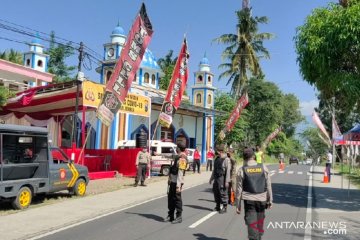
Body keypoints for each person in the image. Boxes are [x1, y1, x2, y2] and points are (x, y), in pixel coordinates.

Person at [236, 147, 273, 240]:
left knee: (252, 225)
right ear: (254, 156)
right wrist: (270, 200)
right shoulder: (263, 167)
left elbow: (239, 190)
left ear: (244, 158)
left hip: (249, 201)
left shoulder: (242, 170)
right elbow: (268, 186)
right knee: (259, 224)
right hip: (262, 200)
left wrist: (238, 205)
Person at [165, 142, 188, 224]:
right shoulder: (178, 156)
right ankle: (170, 215)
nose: (176, 148)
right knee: (170, 198)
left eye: (177, 147)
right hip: (173, 181)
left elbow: (181, 173)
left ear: (179, 148)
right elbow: (171, 156)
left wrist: (178, 186)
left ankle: (179, 217)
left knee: (177, 199)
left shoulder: (182, 158)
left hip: (177, 182)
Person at [209, 144, 231, 213]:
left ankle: (224, 207)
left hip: (222, 178)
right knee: (216, 192)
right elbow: (214, 170)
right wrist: (211, 178)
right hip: (216, 178)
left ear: (220, 151)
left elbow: (228, 171)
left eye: (216, 151)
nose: (215, 152)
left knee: (223, 192)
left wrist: (227, 181)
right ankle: (217, 206)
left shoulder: (226, 159)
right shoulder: (217, 159)